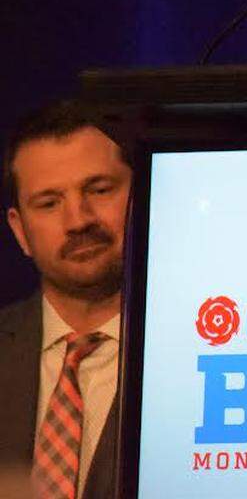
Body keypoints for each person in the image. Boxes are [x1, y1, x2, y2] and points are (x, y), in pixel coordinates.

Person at [0, 100, 131, 499]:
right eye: (49, 203)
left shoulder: (195, 356)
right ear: (19, 231)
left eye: (99, 189)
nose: (78, 220)